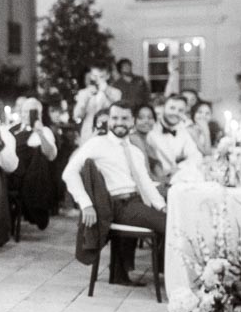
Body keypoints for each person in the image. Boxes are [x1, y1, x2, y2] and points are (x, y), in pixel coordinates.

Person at [63, 102, 166, 284]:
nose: (119, 122)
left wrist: (162, 206)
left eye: (124, 118)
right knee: (169, 225)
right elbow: (69, 172)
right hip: (115, 206)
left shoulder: (135, 151)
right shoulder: (97, 144)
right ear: (108, 120)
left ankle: (122, 273)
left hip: (135, 201)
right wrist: (85, 203)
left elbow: (146, 183)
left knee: (172, 218)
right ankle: (167, 274)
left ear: (132, 121)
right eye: (115, 118)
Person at [9, 97, 57, 231]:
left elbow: (51, 156)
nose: (26, 115)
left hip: (26, 177)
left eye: (30, 112)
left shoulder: (44, 131)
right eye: (24, 112)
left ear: (39, 114)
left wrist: (40, 134)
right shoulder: (12, 129)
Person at [147, 94, 201, 186]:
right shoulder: (150, 130)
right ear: (164, 108)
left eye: (180, 110)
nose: (175, 113)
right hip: (155, 182)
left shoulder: (182, 130)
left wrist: (179, 168)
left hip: (177, 178)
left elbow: (196, 156)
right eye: (172, 108)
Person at [73, 67, 121, 143]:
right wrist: (86, 98)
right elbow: (77, 116)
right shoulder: (84, 93)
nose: (97, 80)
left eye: (101, 76)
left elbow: (118, 109)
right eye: (95, 76)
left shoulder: (115, 92)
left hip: (109, 133)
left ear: (107, 76)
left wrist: (105, 90)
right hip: (89, 134)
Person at [129, 103, 165, 184]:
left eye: (150, 117)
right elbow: (147, 175)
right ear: (133, 120)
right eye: (140, 118)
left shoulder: (149, 144)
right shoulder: (134, 139)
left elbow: (159, 173)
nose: (146, 121)